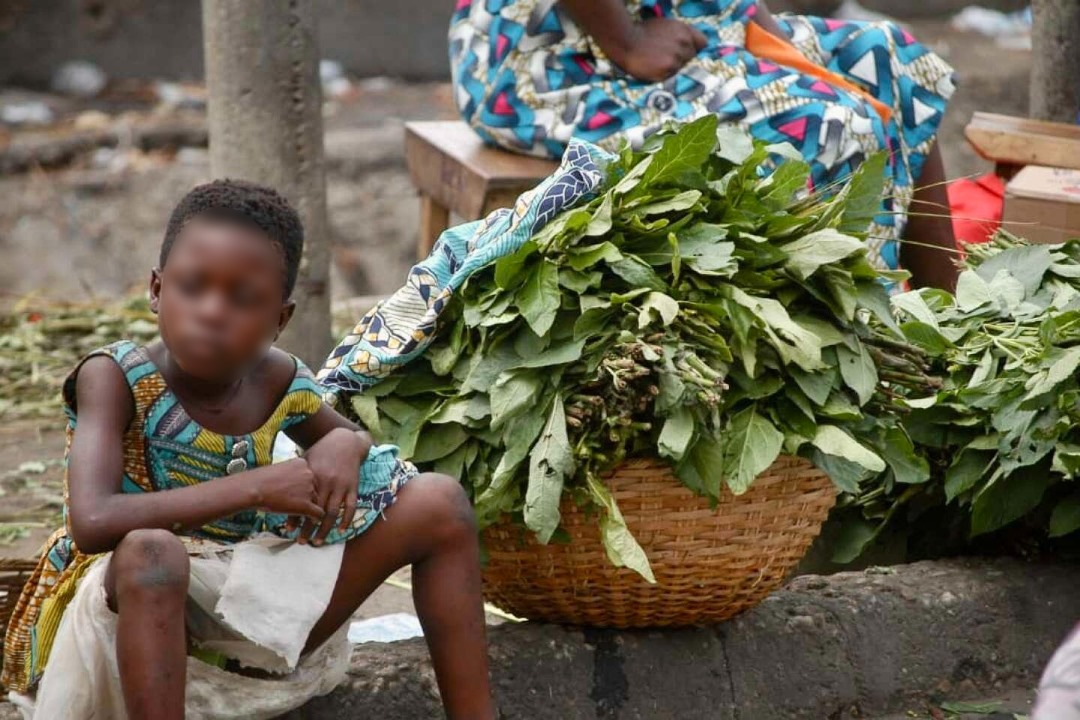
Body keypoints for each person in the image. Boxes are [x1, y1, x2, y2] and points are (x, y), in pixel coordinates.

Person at [1, 180, 496, 720]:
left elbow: (343, 433)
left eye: (243, 300)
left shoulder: (279, 379)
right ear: (156, 290)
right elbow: (92, 521)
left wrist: (345, 446)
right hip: (131, 603)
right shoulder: (116, 377)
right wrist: (257, 487)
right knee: (153, 551)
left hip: (249, 598)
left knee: (439, 503)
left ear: (279, 321)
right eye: (193, 288)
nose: (212, 312)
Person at [449, 0, 959, 291]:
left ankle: (946, 347)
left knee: (886, 59)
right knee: (836, 126)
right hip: (555, 55)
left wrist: (744, 13)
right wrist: (627, 42)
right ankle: (875, 376)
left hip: (669, 18)